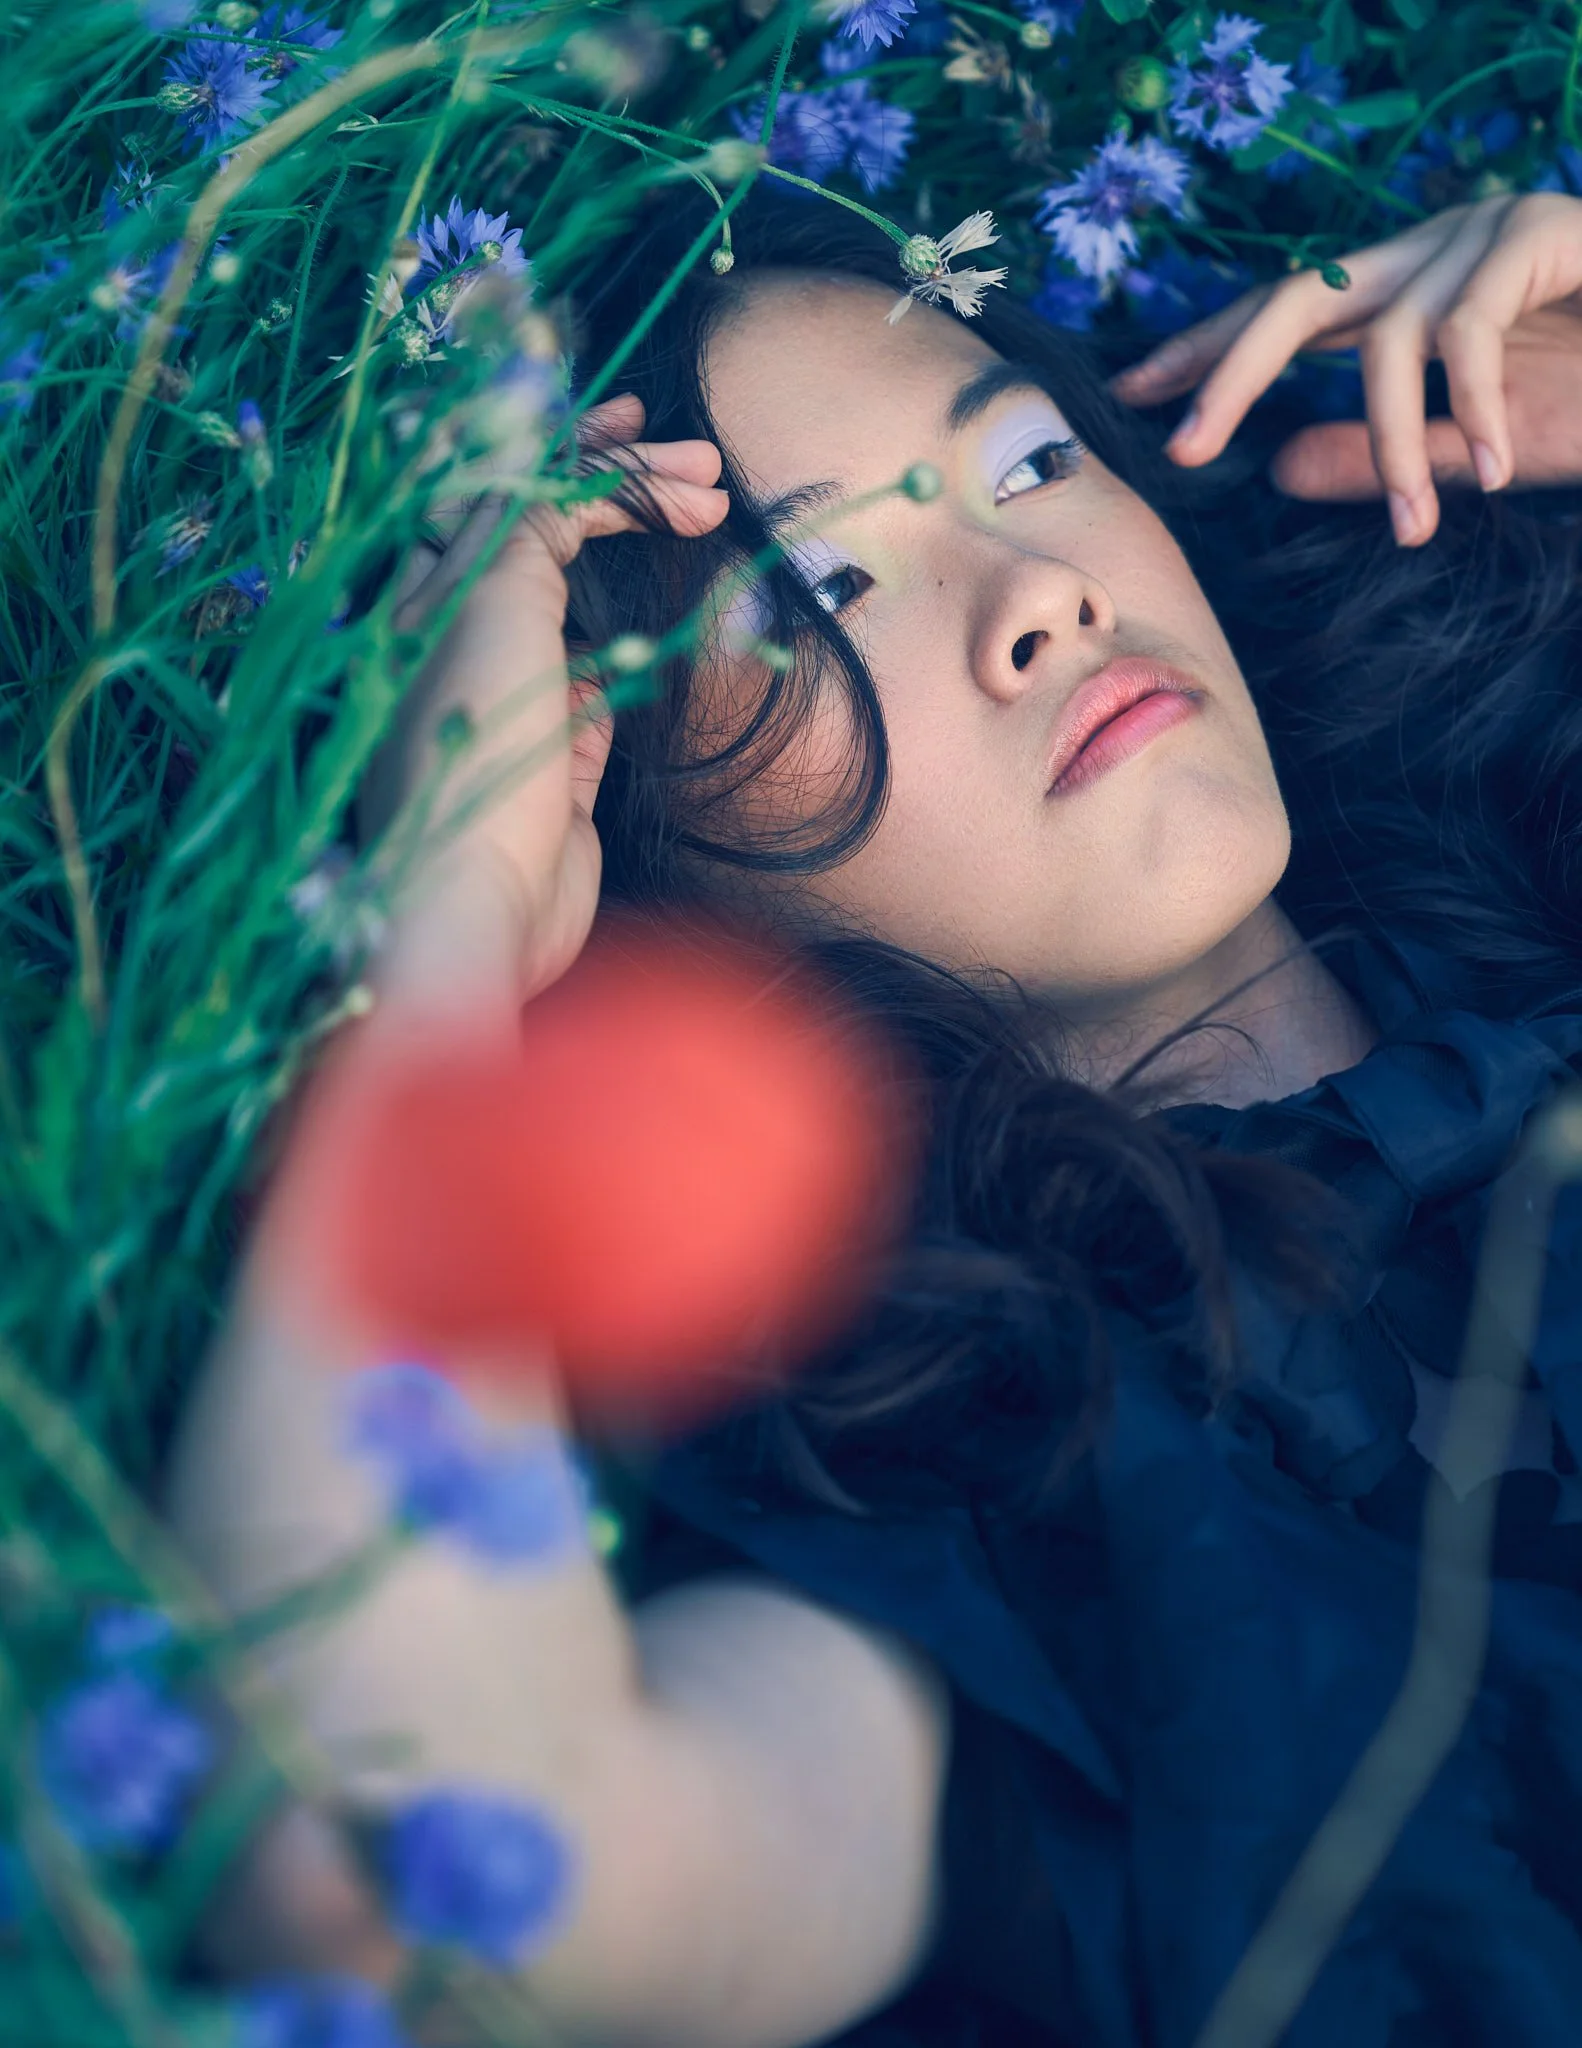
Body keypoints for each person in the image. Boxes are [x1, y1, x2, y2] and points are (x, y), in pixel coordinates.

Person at [168, 188, 1582, 2046]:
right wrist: (449, 904)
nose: (1039, 598)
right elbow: (391, 1876)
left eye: (1031, 461)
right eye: (815, 597)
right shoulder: (990, 1513)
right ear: (633, 832)